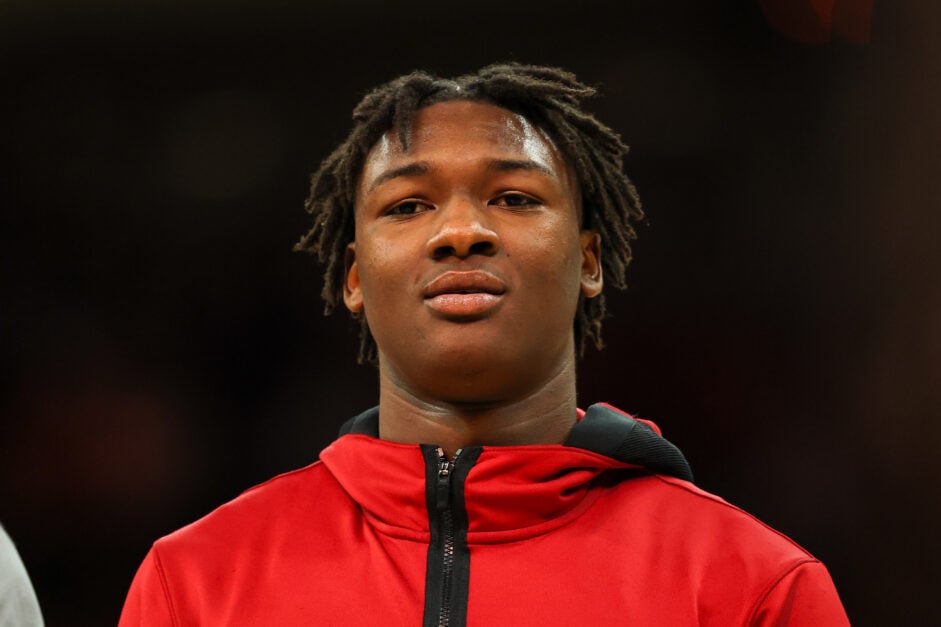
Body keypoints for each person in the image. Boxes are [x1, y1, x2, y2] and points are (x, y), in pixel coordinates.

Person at [119, 63, 849, 625]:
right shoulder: (196, 583)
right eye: (408, 205)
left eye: (514, 198)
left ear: (588, 262)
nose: (461, 231)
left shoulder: (752, 586)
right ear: (353, 277)